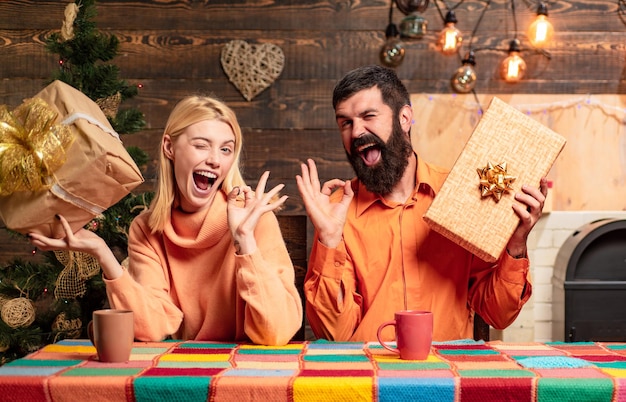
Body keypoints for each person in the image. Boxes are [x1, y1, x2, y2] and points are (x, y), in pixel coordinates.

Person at [296, 65, 547, 342]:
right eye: (345, 123)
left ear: (404, 118)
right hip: (369, 373)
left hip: (447, 372)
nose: (356, 133)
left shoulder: (459, 194)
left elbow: (497, 314)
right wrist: (329, 240)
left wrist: (516, 244)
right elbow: (334, 333)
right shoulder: (337, 211)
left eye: (368, 116)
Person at [29, 95, 303, 346]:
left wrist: (245, 243)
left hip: (252, 373)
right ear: (170, 147)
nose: (215, 160)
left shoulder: (254, 220)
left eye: (226, 150)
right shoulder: (147, 229)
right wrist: (103, 254)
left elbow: (276, 332)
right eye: (201, 145)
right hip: (190, 373)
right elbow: (151, 327)